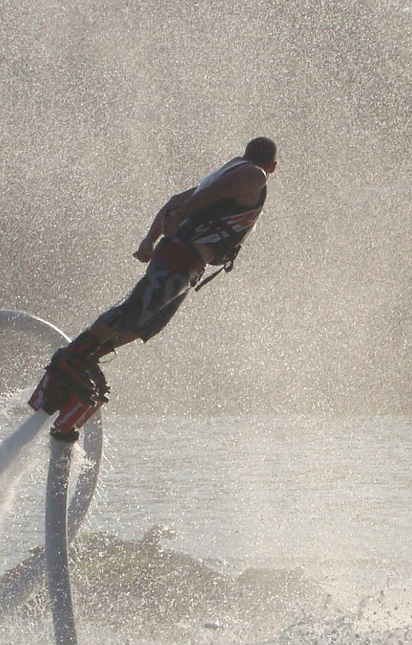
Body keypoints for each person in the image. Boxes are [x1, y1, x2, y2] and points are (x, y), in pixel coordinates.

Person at [30, 137, 278, 435]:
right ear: (273, 166)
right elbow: (194, 201)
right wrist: (178, 219)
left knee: (150, 323)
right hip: (181, 256)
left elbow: (175, 199)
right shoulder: (254, 174)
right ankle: (72, 357)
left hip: (186, 263)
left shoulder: (233, 170)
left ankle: (88, 357)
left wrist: (150, 240)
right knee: (135, 311)